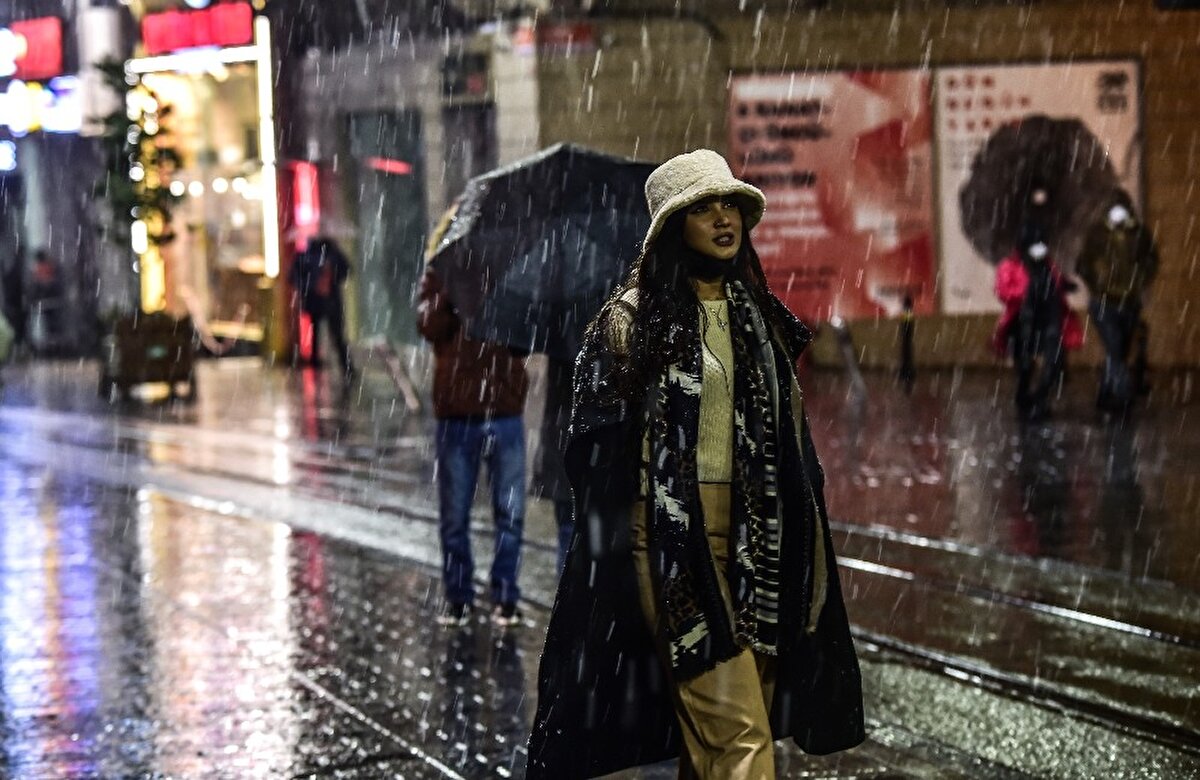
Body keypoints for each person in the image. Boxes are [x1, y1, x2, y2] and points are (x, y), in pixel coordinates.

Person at [527, 149, 864, 779]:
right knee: (740, 740)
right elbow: (594, 453)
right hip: (671, 546)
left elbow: (792, 448)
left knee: (713, 743)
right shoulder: (629, 323)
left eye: (729, 204)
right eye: (701, 207)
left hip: (759, 545)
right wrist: (618, 558)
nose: (722, 218)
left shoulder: (758, 316)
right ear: (670, 226)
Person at [417, 238, 529, 629]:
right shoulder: (441, 271)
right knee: (454, 514)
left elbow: (524, 341)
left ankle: (506, 596)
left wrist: (497, 295)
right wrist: (451, 289)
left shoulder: (512, 271)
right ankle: (459, 597)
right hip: (457, 414)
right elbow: (428, 325)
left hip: (504, 410)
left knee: (510, 513)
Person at [1076, 191, 1158, 412]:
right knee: (1114, 348)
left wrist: (1138, 281)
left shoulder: (1138, 234)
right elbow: (1082, 264)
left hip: (1129, 302)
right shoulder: (1097, 235)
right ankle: (1123, 396)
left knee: (1118, 352)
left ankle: (1105, 393)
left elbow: (1151, 261)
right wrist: (1098, 284)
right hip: (1104, 303)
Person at [992, 223, 1082, 422]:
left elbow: (1056, 283)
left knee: (1054, 363)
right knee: (1024, 365)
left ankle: (1039, 400)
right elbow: (1003, 290)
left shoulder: (1047, 265)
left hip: (1049, 320)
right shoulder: (1010, 266)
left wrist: (1065, 286)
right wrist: (1025, 295)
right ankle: (1025, 394)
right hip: (1022, 322)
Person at [290, 236, 353, 377]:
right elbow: (294, 277)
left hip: (328, 301)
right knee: (327, 334)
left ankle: (344, 365)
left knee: (334, 334)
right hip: (319, 301)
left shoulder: (330, 254)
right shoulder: (308, 255)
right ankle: (338, 365)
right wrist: (313, 284)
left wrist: (331, 275)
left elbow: (346, 271)